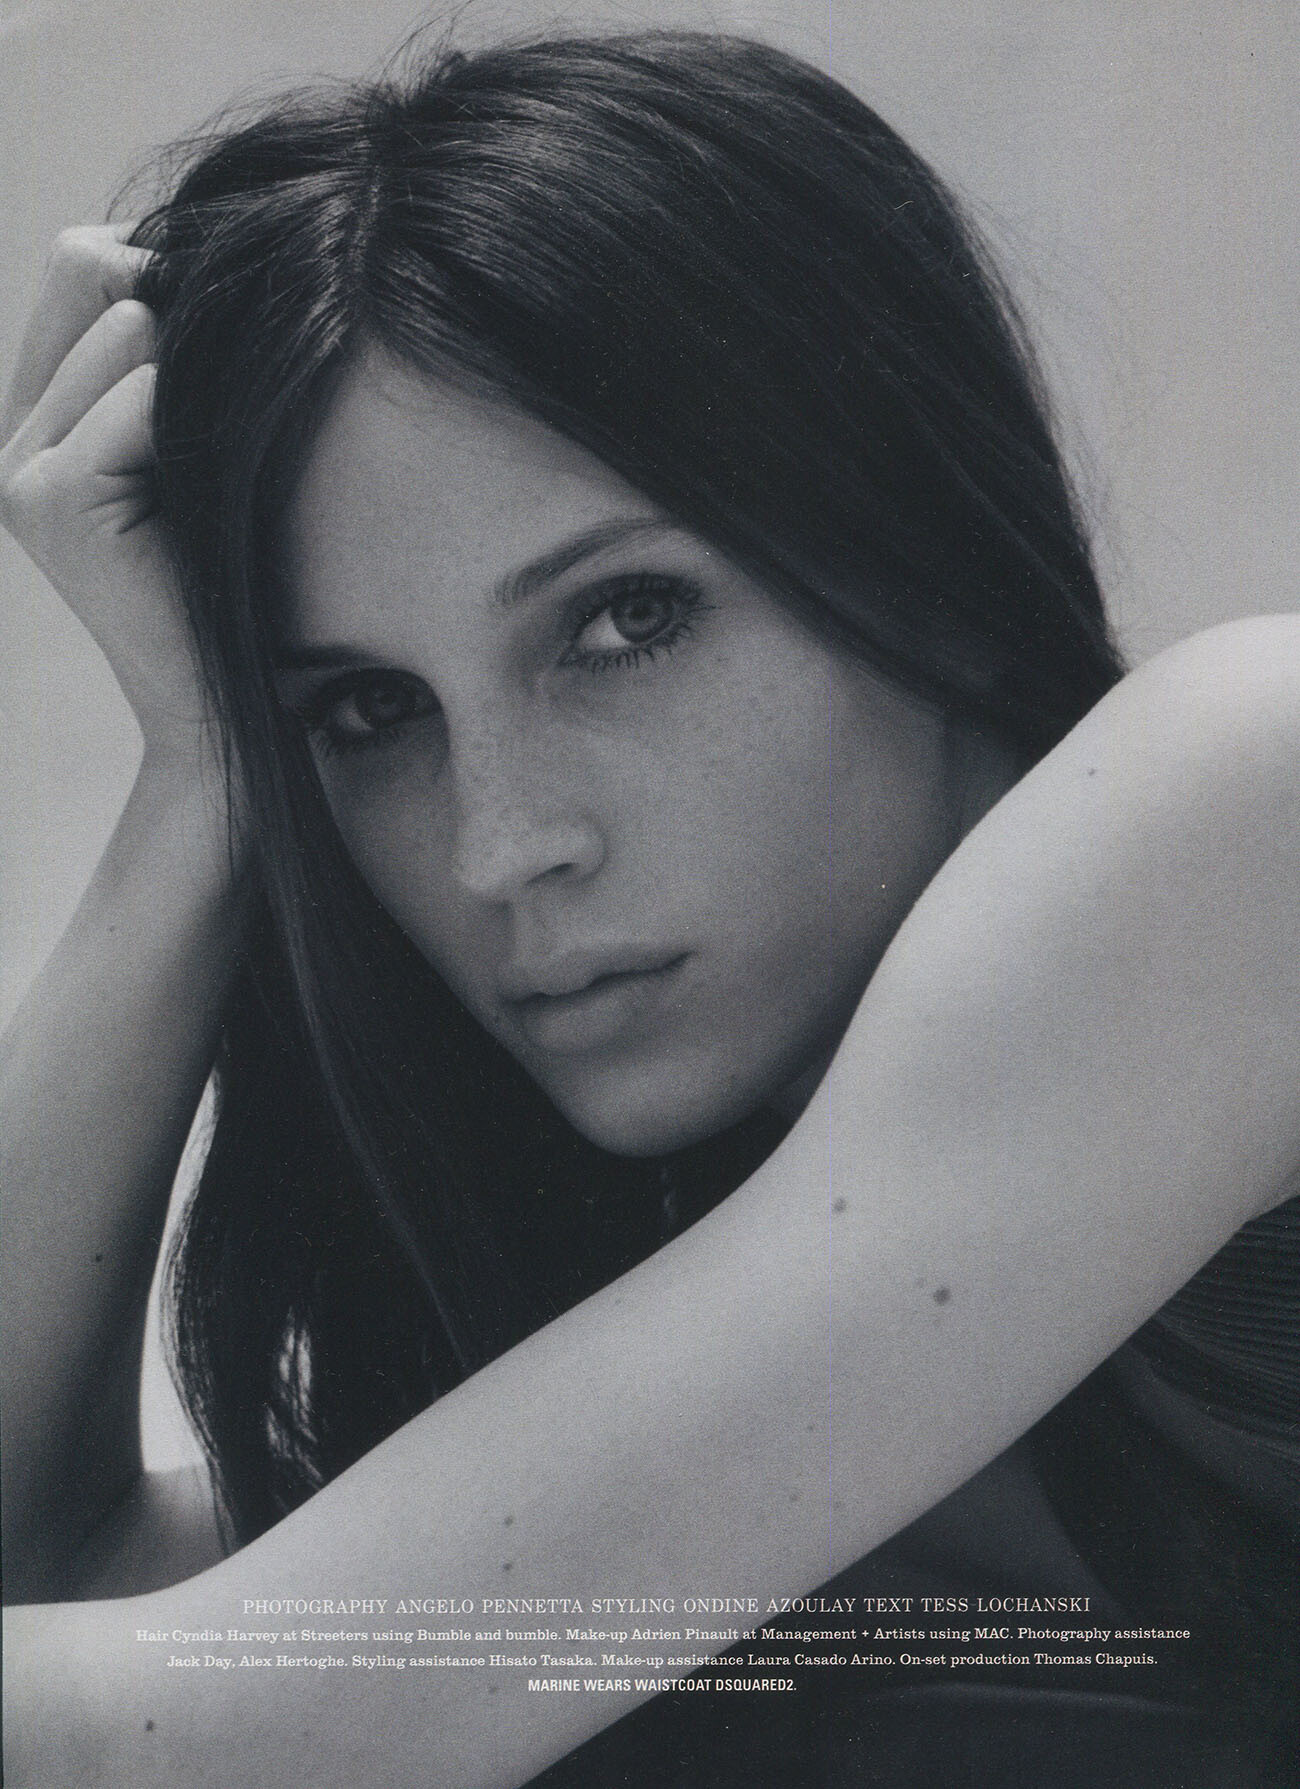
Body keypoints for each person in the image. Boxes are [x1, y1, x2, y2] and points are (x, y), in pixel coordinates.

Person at [1, 29, 1296, 1789]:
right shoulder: (668, 1311)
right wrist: (201, 781)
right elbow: (59, 1587)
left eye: (624, 622)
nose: (497, 846)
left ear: (915, 543)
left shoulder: (1252, 800)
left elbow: (199, 1735)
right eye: (369, 711)